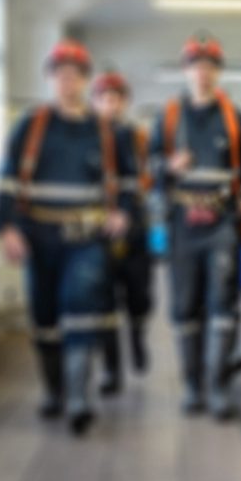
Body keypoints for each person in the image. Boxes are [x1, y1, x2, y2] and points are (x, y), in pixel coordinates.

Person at [0, 40, 137, 435]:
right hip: (39, 237)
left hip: (86, 238)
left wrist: (122, 211)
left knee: (81, 308)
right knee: (45, 319)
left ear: (85, 80)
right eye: (60, 75)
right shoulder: (32, 126)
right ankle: (54, 391)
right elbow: (7, 179)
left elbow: (127, 181)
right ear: (50, 79)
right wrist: (7, 228)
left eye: (74, 75)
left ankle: (77, 397)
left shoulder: (104, 131)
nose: (67, 82)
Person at [150, 35, 241, 419]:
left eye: (209, 66)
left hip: (222, 224)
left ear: (217, 72)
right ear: (186, 71)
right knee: (185, 306)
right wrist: (168, 167)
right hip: (182, 225)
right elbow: (148, 170)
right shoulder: (169, 118)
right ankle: (192, 385)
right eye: (196, 66)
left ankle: (217, 387)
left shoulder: (232, 119)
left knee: (222, 302)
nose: (202, 73)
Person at [92, 70, 153, 395]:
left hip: (134, 229)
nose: (110, 105)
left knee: (138, 296)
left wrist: (126, 213)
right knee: (103, 302)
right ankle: (111, 370)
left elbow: (144, 180)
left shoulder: (137, 138)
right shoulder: (86, 138)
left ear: (124, 102)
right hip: (98, 230)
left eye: (116, 99)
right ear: (95, 102)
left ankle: (138, 337)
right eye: (104, 99)